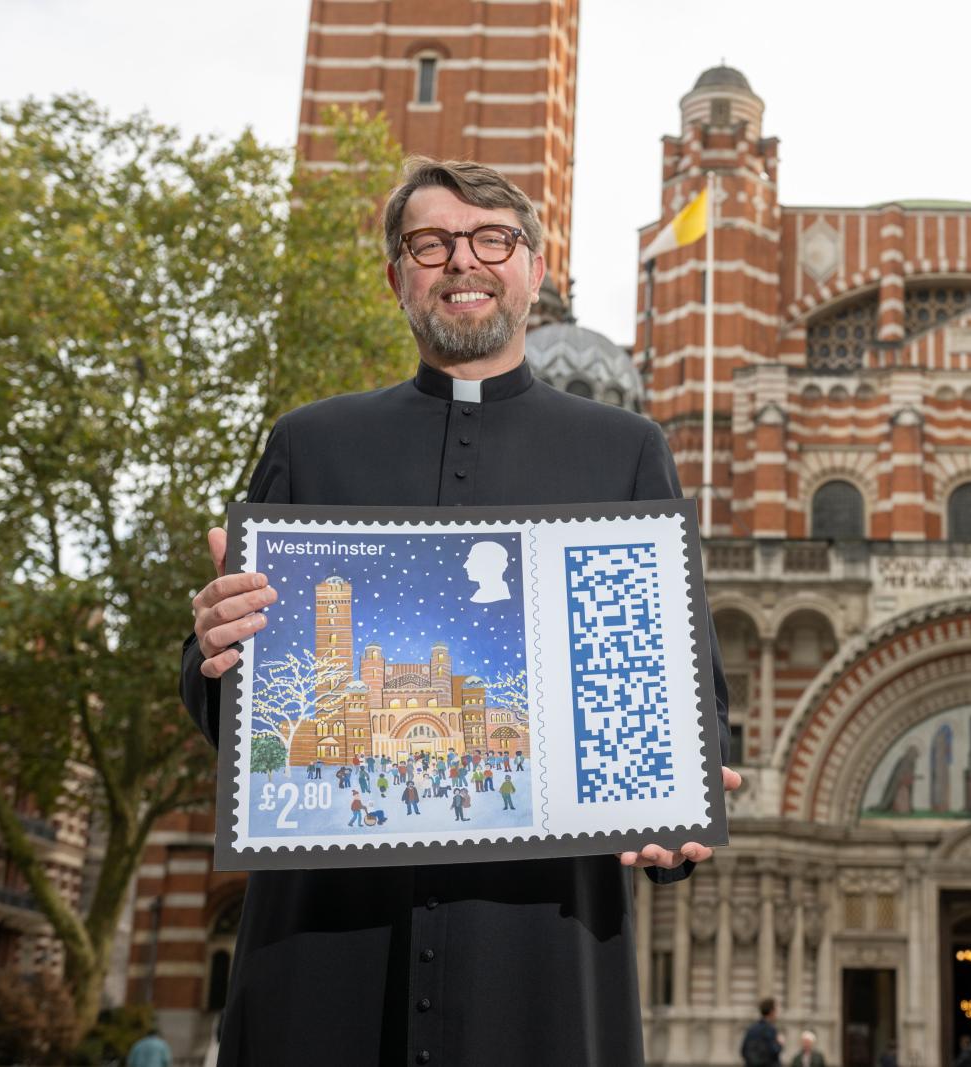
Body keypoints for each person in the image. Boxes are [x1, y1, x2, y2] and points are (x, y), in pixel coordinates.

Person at [182, 157, 736, 1066]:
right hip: (325, 953)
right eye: (431, 243)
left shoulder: (624, 451)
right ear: (397, 274)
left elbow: (690, 700)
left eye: (492, 240)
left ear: (534, 268)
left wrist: (678, 803)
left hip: (541, 955)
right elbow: (223, 709)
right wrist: (214, 643)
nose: (462, 262)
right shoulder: (311, 444)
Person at [740, 997, 784, 1067]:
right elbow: (773, 1051)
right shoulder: (770, 1030)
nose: (777, 1013)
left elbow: (743, 1050)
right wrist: (780, 1044)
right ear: (771, 1012)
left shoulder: (752, 1029)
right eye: (776, 1010)